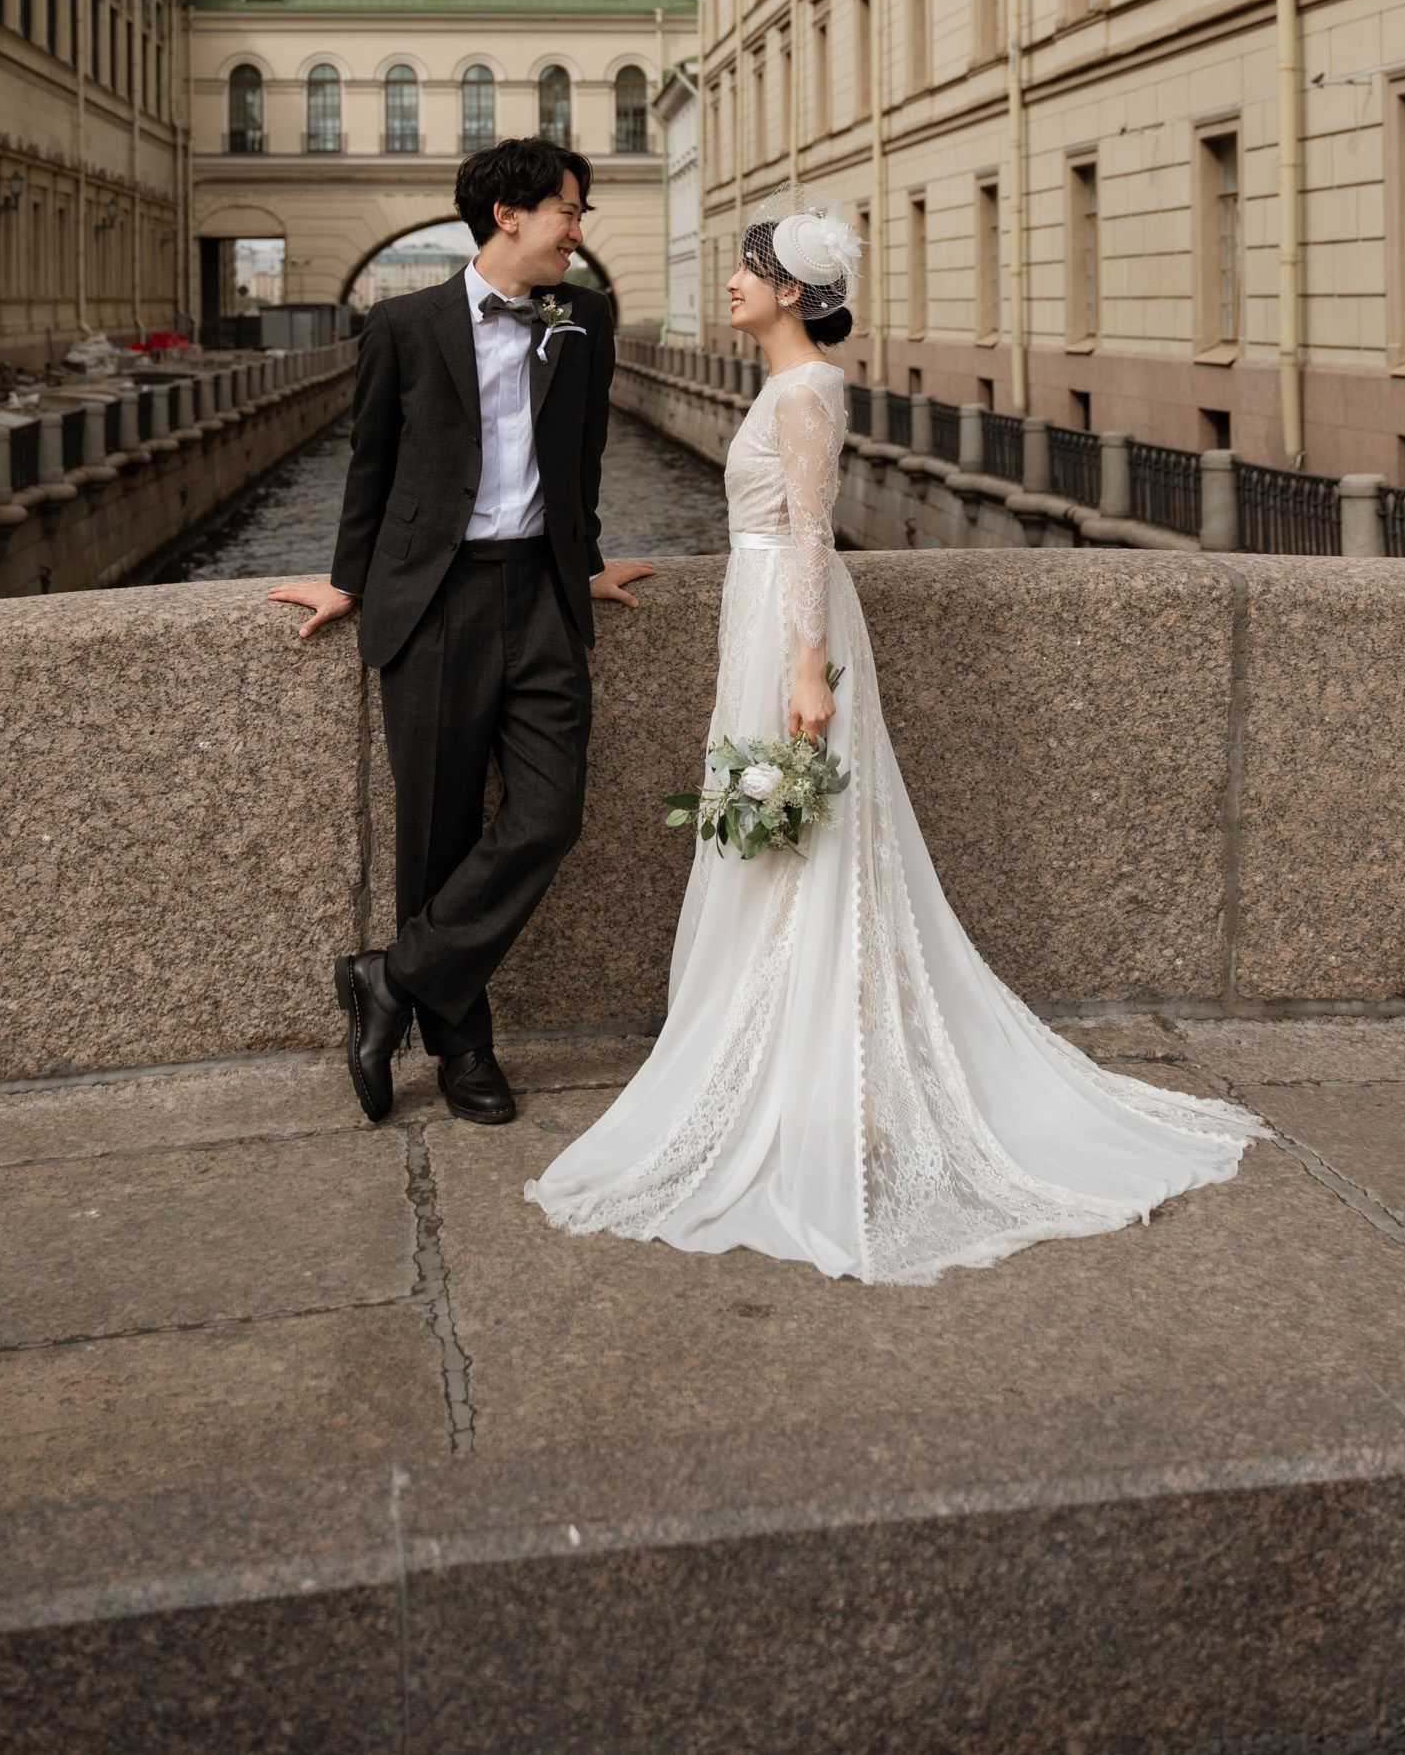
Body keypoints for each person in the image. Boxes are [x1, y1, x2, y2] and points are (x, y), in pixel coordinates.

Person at [528, 204, 1264, 1283]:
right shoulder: (784, 386)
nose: (730, 280)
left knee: (805, 838)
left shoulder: (806, 390)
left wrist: (803, 671)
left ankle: (822, 1081)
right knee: (783, 837)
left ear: (789, 292)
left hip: (789, 619)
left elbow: (814, 533)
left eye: (746, 268)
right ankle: (813, 1071)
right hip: (763, 608)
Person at [271, 139, 651, 1130]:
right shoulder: (403, 322)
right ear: (507, 214)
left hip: (541, 594)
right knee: (434, 835)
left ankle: (388, 976)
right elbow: (371, 465)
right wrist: (349, 581)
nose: (579, 228)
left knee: (547, 813)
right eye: (568, 209)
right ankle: (461, 1047)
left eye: (581, 210)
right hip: (432, 599)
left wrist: (586, 559)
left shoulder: (580, 315)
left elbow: (583, 454)